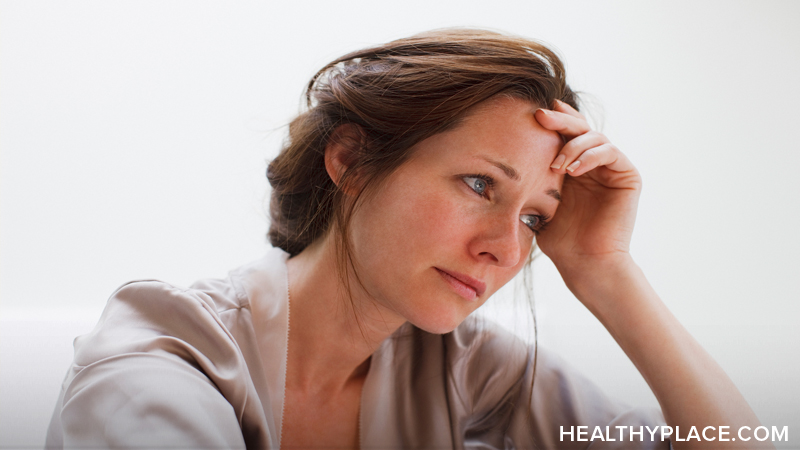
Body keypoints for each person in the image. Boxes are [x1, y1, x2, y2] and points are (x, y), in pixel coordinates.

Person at [46, 28, 770, 449]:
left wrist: (605, 269)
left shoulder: (471, 370)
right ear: (352, 160)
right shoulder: (163, 349)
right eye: (481, 185)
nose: (507, 250)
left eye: (534, 217)